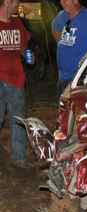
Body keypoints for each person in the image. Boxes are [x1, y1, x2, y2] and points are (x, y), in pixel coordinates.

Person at [0, 0, 32, 169]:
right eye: (15, 3)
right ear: (7, 2)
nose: (17, 6)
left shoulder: (17, 23)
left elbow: (23, 47)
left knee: (18, 120)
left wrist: (28, 54)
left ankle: (19, 159)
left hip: (16, 79)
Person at [52, 0, 87, 96]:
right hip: (64, 76)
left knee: (82, 109)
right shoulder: (60, 17)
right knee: (65, 108)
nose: (62, 2)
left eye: (65, 0)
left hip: (84, 77)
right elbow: (56, 32)